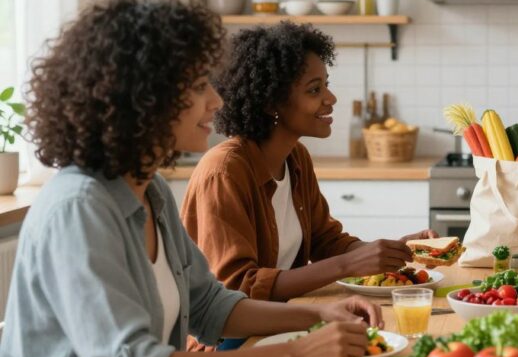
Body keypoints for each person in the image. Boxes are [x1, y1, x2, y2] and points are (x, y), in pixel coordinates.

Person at [0, 0, 383, 357]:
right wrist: (297, 354)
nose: (216, 100)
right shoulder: (79, 209)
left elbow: (212, 306)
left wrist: (320, 316)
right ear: (143, 96)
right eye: (199, 84)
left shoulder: (150, 191)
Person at [181, 22, 434, 305]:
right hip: (232, 342)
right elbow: (240, 287)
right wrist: (349, 264)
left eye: (326, 85)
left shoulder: (295, 157)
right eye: (314, 90)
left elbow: (324, 240)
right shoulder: (224, 171)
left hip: (283, 316)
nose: (331, 98)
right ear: (270, 102)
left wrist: (390, 251)